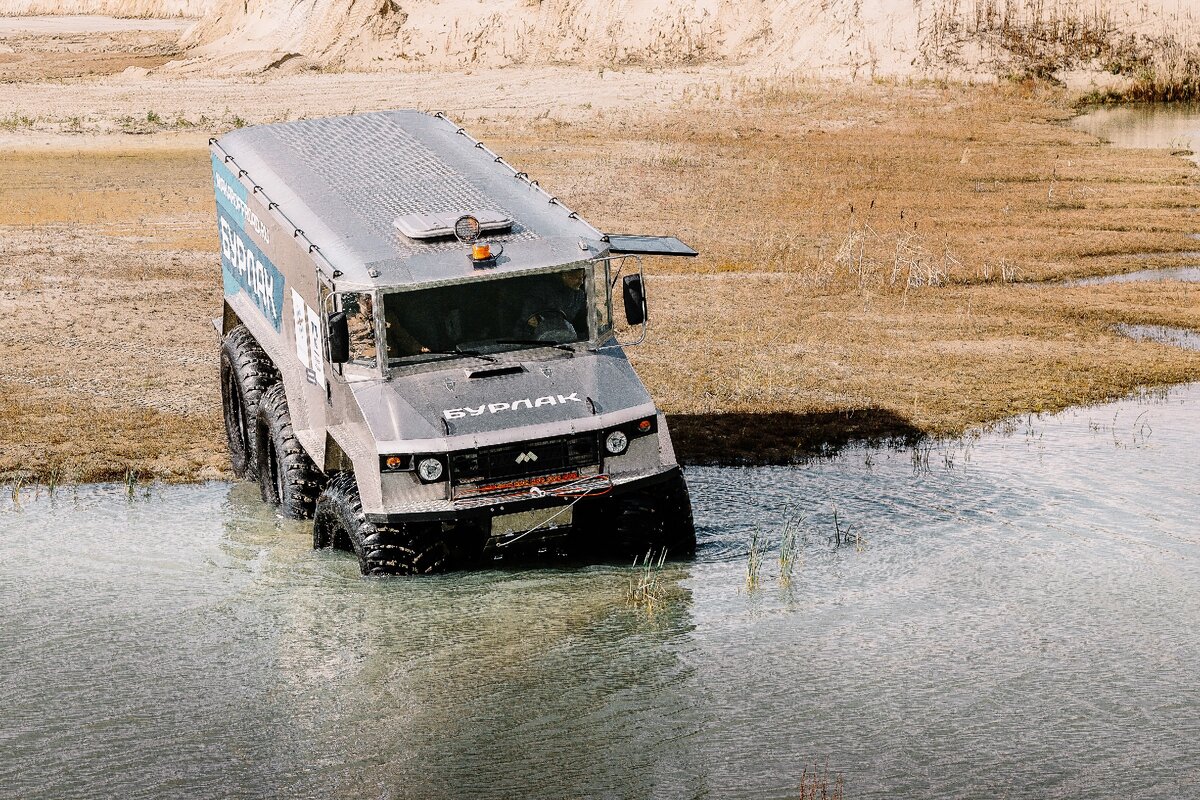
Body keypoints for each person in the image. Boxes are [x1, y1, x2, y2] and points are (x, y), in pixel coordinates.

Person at [519, 268, 587, 341]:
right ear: (565, 276)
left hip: (567, 337)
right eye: (577, 278)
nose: (581, 282)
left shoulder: (580, 295)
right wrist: (532, 318)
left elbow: (584, 315)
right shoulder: (543, 290)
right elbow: (528, 314)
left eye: (582, 278)